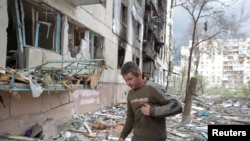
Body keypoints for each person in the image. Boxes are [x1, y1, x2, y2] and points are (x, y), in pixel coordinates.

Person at [118, 61, 183, 141]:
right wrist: (122, 136)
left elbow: (177, 106)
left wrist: (153, 111)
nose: (128, 83)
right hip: (137, 138)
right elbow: (130, 118)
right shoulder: (130, 94)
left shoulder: (153, 88)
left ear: (139, 75)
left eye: (130, 79)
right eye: (125, 80)